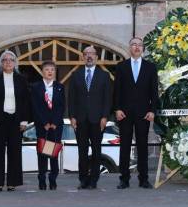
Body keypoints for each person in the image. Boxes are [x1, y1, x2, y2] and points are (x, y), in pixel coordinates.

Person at [113, 37, 159, 189]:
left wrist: (152, 110)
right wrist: (117, 109)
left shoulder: (150, 67)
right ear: (129, 48)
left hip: (144, 113)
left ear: (143, 48)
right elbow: (117, 90)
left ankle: (143, 179)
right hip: (124, 113)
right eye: (134, 44)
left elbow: (154, 91)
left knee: (142, 146)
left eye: (139, 45)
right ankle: (124, 179)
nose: (137, 47)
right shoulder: (121, 67)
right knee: (125, 146)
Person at [0, 50, 30, 191]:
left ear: (15, 63)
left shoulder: (21, 79)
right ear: (1, 63)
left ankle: (12, 183)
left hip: (16, 120)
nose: (8, 62)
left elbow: (26, 101)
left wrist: (24, 121)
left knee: (14, 152)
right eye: (5, 60)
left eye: (11, 60)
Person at [68, 45, 112, 189]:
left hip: (97, 119)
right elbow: (71, 97)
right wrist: (72, 116)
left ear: (96, 57)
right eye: (86, 54)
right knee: (82, 150)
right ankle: (83, 179)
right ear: (83, 57)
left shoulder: (104, 75)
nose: (89, 56)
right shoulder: (76, 75)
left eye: (92, 54)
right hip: (80, 119)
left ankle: (94, 179)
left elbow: (107, 98)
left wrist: (105, 116)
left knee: (96, 150)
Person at [30, 61, 65, 190]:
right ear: (42, 72)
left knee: (53, 153)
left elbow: (62, 106)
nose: (50, 72)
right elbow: (35, 106)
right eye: (47, 69)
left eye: (52, 69)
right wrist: (44, 122)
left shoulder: (60, 87)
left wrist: (55, 122)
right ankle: (42, 179)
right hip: (42, 126)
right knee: (42, 153)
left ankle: (53, 179)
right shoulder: (36, 87)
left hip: (56, 126)